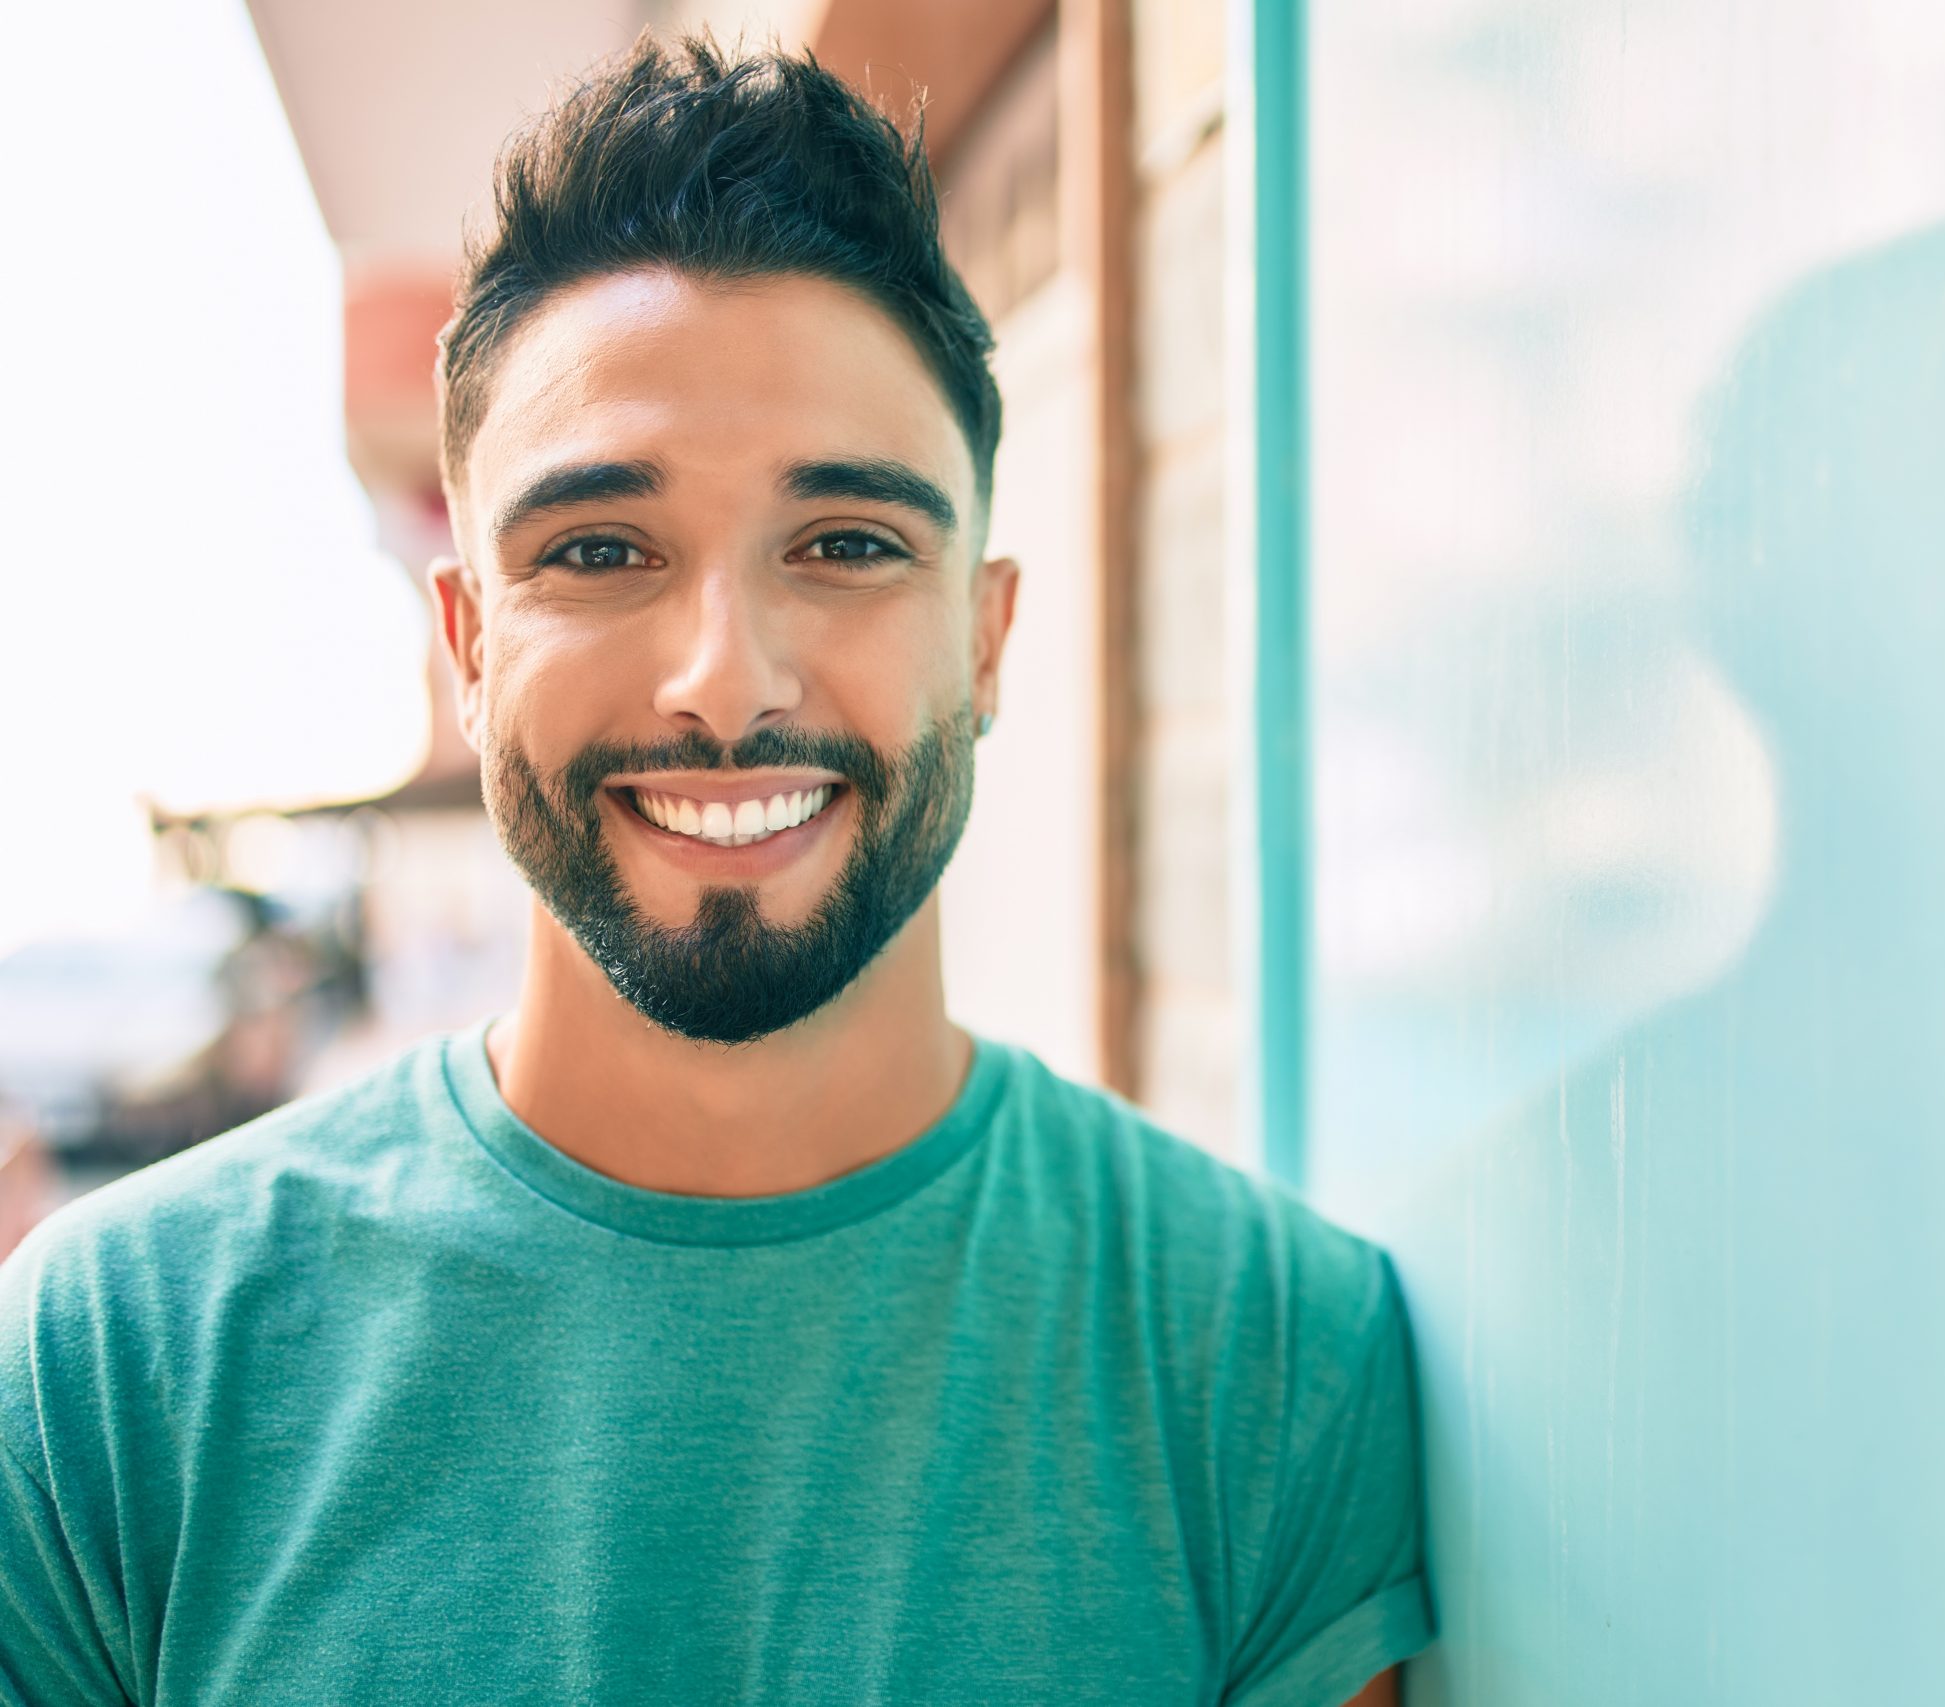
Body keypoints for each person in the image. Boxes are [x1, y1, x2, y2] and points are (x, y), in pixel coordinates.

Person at [0, 32, 1432, 1705]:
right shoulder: (112, 1373)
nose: (726, 680)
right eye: (599, 550)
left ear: (987, 636)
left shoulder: (1266, 1362)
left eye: (847, 545)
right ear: (468, 645)